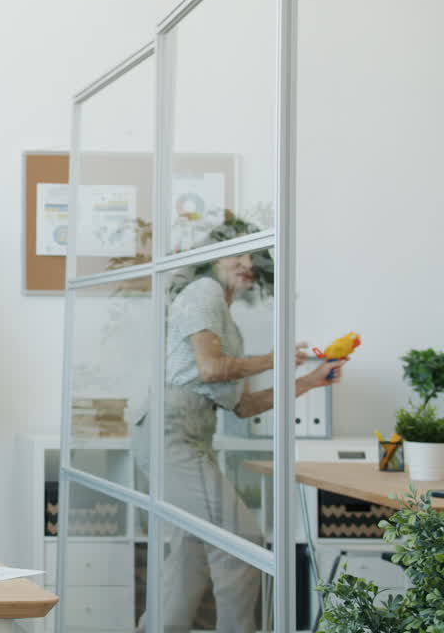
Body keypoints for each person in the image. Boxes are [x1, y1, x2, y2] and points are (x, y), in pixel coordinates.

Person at [133, 223, 348, 633]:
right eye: (238, 254)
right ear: (213, 259)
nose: (247, 264)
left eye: (253, 256)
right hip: (172, 432)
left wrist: (308, 381)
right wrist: (273, 359)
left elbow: (243, 406)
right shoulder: (204, 292)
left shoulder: (225, 319)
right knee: (242, 543)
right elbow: (210, 369)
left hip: (189, 435)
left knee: (191, 552)